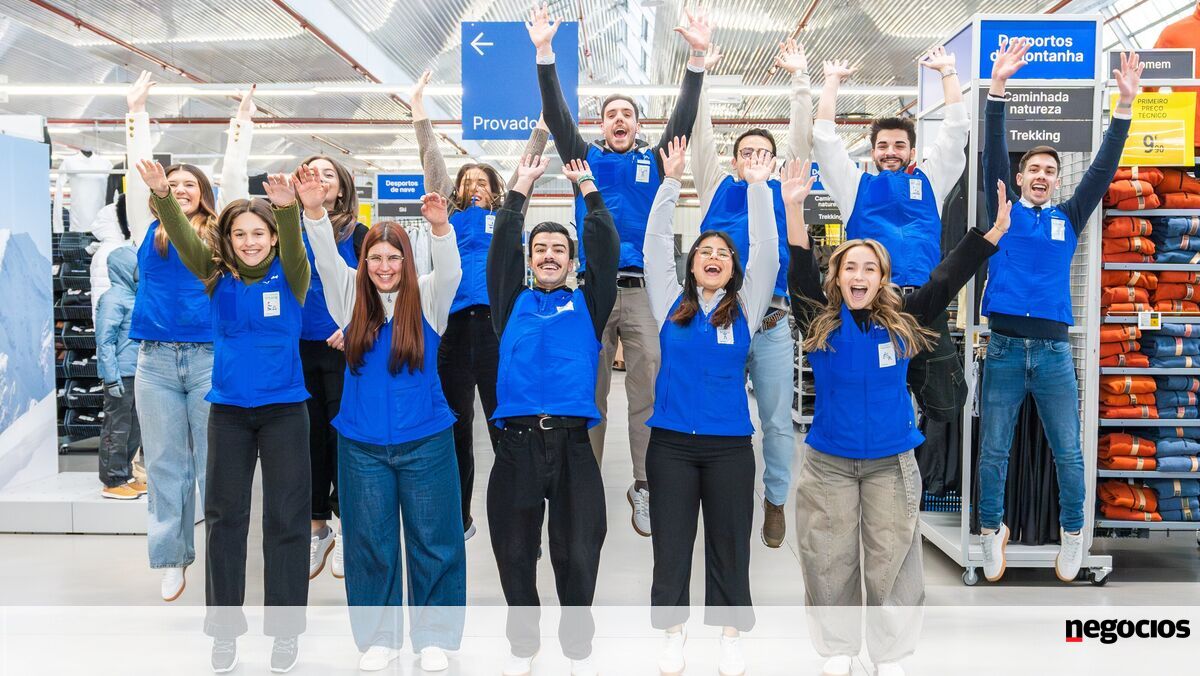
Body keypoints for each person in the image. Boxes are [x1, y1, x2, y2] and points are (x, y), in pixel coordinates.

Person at [790, 162, 1011, 676]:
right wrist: (793, 207)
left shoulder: (904, 321)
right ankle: (839, 650)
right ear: (836, 277)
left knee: (894, 560)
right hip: (829, 464)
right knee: (828, 557)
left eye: (869, 268)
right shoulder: (820, 322)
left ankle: (889, 656)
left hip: (891, 464)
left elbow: (946, 277)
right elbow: (798, 269)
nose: (859, 276)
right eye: (850, 268)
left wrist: (994, 233)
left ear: (883, 278)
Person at [529, 4, 711, 535]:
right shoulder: (582, 157)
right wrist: (545, 54)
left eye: (627, 113)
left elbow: (683, 119)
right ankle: (582, 483)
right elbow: (556, 114)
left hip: (645, 293)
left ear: (638, 123)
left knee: (648, 386)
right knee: (588, 391)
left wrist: (696, 60)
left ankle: (644, 485)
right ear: (601, 124)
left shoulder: (655, 160)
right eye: (611, 113)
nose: (619, 120)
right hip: (592, 292)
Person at [138, 160, 315, 674]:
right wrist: (163, 196)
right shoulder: (215, 275)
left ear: (272, 237)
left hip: (285, 412)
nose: (250, 242)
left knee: (286, 522)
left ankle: (285, 632)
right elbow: (183, 237)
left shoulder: (292, 275)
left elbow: (295, 245)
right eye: (240, 234)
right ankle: (223, 632)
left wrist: (287, 209)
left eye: (258, 233)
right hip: (229, 414)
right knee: (223, 521)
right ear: (228, 240)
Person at [978, 43, 1141, 584]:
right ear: (1020, 177)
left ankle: (1074, 533)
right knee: (993, 451)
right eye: (1034, 169)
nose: (1042, 175)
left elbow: (1103, 168)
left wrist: (1123, 106)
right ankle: (991, 531)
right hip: (1003, 349)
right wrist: (997, 90)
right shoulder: (1002, 209)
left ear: (1056, 179)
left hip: (1052, 353)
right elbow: (993, 153)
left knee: (1068, 452)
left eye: (1049, 170)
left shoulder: (1069, 216)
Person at [304, 180, 465, 674]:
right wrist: (314, 213)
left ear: (407, 261)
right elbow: (327, 261)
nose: (385, 266)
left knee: (435, 541)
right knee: (369, 545)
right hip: (362, 446)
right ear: (365, 261)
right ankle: (379, 638)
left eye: (394, 257)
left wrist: (441, 228)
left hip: (427, 442)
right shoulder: (348, 298)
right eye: (375, 257)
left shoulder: (430, 297)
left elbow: (451, 269)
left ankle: (433, 637)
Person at [644, 137, 786, 676]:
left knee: (730, 544)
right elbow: (655, 243)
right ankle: (672, 634)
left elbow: (768, 248)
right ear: (692, 264)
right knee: (672, 545)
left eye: (722, 254)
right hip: (671, 446)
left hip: (729, 448)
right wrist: (670, 182)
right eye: (704, 251)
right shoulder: (669, 303)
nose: (712, 258)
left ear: (733, 269)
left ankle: (729, 636)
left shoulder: (746, 307)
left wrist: (758, 188)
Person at [124, 70, 255, 602]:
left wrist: (240, 126)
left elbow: (235, 176)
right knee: (163, 463)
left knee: (212, 464)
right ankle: (172, 557)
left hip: (207, 359)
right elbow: (139, 173)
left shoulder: (219, 232)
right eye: (171, 184)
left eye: (189, 185)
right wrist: (136, 113)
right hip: (154, 361)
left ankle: (221, 554)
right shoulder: (145, 229)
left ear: (205, 195)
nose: (179, 190)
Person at [486, 155, 618, 676]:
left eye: (558, 249)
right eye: (539, 248)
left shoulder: (589, 303)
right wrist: (519, 188)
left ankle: (576, 643)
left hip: (572, 446)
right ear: (530, 258)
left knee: (580, 551)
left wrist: (587, 187)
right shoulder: (510, 302)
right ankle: (524, 645)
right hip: (516, 445)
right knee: (514, 551)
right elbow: (500, 248)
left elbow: (607, 247)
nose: (547, 255)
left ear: (571, 261)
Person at [410, 70, 550, 541]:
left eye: (482, 181)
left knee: (503, 424)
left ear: (495, 189)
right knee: (454, 426)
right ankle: (459, 517)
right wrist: (419, 110)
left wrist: (545, 120)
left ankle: (518, 521)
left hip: (495, 330)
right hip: (452, 331)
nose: (474, 186)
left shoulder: (507, 215)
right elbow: (432, 160)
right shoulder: (448, 214)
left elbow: (527, 164)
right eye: (467, 180)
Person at [689, 38, 812, 547]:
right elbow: (699, 136)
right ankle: (717, 493)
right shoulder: (716, 187)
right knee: (716, 413)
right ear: (735, 160)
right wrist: (700, 72)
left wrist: (800, 81)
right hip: (719, 318)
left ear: (775, 161)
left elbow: (801, 142)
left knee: (777, 422)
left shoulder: (784, 190)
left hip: (772, 324)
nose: (754, 158)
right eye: (746, 153)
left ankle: (775, 499)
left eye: (763, 152)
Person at [812, 48, 970, 424]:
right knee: (870, 398)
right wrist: (831, 83)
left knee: (947, 402)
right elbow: (825, 141)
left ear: (912, 151)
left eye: (899, 145)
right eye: (883, 145)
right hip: (873, 305)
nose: (891, 152)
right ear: (873, 152)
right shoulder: (855, 186)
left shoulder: (931, 181)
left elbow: (955, 132)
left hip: (926, 304)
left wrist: (948, 72)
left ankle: (919, 451)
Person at [297, 153, 369, 582]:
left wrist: (355, 325)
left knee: (343, 436)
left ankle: (345, 527)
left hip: (343, 347)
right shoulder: (287, 228)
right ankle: (316, 527)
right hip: (297, 348)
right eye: (313, 172)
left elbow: (377, 287)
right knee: (308, 439)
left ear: (342, 188)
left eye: (329, 174)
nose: (320, 179)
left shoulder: (357, 234)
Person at [95, 246, 144, 500]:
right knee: (117, 428)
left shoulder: (136, 296)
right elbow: (105, 341)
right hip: (121, 375)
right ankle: (112, 480)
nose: (140, 273)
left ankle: (125, 474)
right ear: (125, 269)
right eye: (136, 268)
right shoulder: (113, 299)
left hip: (137, 373)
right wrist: (111, 377)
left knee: (134, 427)